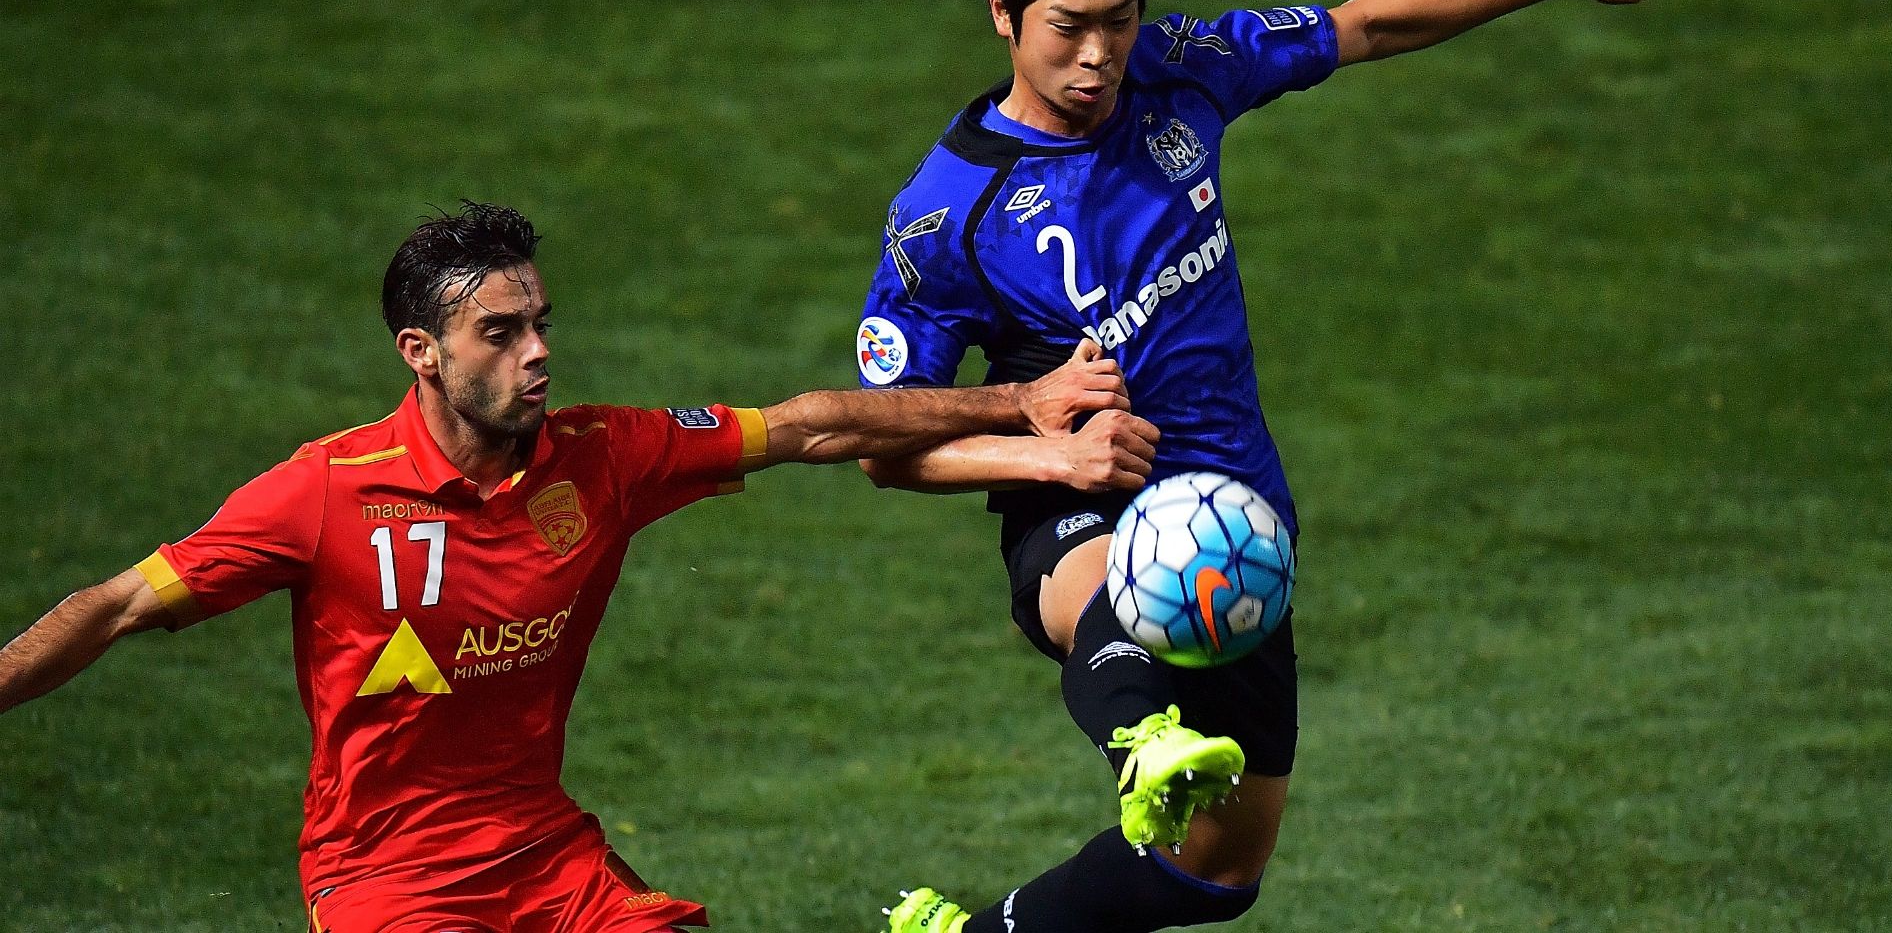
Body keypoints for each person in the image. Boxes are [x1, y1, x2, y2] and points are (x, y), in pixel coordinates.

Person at [856, 0, 1706, 932]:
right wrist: (1041, 446)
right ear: (1002, 13)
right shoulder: (949, 214)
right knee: (1114, 584)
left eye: (1120, 21)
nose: (1098, 54)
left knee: (1214, 877)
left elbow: (1366, 27)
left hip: (1243, 527)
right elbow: (883, 445)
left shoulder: (1180, 76)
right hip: (1079, 501)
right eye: (1069, 26)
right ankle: (1141, 737)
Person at [0, 201, 1158, 933]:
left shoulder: (602, 455)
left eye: (540, 322)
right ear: (422, 354)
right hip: (385, 885)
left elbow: (809, 426)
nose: (538, 351)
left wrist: (1021, 400)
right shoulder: (323, 493)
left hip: (545, 856)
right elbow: (111, 606)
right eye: (499, 333)